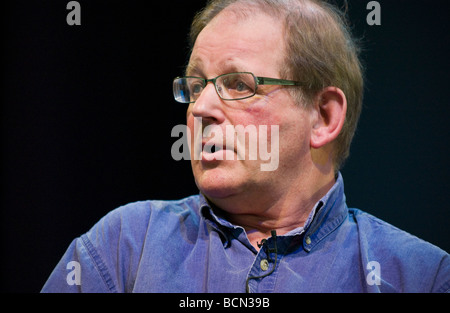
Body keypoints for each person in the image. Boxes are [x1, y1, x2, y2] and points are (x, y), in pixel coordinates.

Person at [42, 0, 449, 293]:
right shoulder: (124, 247)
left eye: (238, 84)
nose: (200, 108)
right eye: (196, 86)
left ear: (324, 117)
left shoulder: (420, 277)